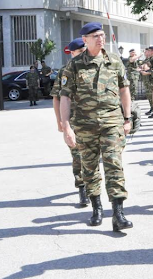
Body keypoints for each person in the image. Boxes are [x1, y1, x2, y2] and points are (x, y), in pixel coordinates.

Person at [59, 22, 133, 232]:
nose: (100, 39)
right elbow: (64, 98)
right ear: (85, 40)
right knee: (89, 168)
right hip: (84, 125)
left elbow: (124, 90)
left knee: (114, 165)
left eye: (102, 35)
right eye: (95, 36)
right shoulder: (73, 66)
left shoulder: (114, 61)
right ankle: (96, 208)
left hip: (111, 123)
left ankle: (118, 213)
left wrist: (127, 118)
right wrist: (66, 127)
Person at [52, 38, 88, 207]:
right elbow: (57, 98)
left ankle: (92, 186)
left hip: (92, 120)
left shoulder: (93, 68)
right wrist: (60, 121)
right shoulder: (64, 71)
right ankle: (82, 187)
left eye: (83, 52)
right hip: (73, 120)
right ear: (72, 53)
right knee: (77, 155)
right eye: (78, 53)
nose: (82, 55)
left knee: (92, 156)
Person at [141, 46, 153, 118]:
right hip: (148, 80)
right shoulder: (149, 59)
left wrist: (147, 72)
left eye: (149, 50)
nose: (147, 52)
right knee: (149, 95)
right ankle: (152, 108)